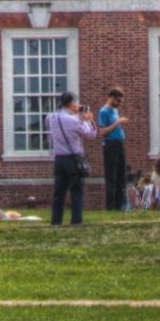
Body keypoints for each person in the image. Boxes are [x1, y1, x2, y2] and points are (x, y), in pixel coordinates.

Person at [46, 90, 96, 227]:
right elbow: (91, 134)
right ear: (72, 104)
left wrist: (78, 116)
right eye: (77, 103)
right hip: (73, 158)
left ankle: (56, 221)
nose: (79, 105)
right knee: (76, 191)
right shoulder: (74, 120)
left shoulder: (51, 118)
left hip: (59, 159)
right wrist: (89, 121)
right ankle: (76, 220)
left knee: (59, 192)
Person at [96, 87, 128, 213]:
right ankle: (110, 207)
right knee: (111, 177)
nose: (119, 104)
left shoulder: (115, 111)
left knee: (121, 176)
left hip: (120, 144)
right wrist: (118, 123)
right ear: (112, 98)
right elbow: (103, 131)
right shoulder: (104, 111)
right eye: (118, 101)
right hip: (111, 145)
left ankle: (119, 206)